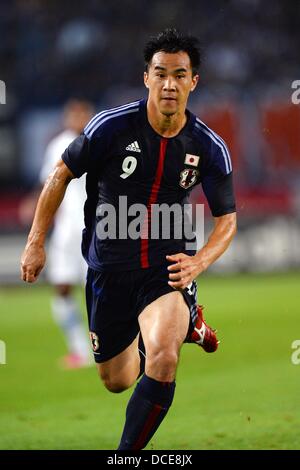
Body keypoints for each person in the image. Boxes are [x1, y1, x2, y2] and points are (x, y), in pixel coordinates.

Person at [21, 29, 237, 449]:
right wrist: (35, 241)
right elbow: (61, 175)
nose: (169, 84)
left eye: (180, 74)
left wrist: (199, 262)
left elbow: (226, 219)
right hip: (108, 270)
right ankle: (187, 326)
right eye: (161, 74)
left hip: (166, 270)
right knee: (116, 380)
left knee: (162, 357)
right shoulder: (110, 127)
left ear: (194, 81)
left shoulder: (208, 147)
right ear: (146, 78)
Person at [21, 99, 94, 369]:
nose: (79, 118)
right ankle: (79, 348)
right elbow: (49, 181)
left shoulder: (100, 139)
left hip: (97, 230)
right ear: (67, 117)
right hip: (66, 232)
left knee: (99, 289)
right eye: (74, 114)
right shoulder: (58, 144)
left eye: (84, 113)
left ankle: (110, 346)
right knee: (62, 287)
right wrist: (33, 204)